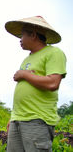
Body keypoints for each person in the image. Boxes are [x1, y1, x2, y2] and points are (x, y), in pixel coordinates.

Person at [4, 16, 67, 152]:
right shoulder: (27, 59)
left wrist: (24, 74)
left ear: (33, 35)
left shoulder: (54, 53)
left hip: (37, 120)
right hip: (18, 119)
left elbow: (53, 83)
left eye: (22, 35)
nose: (20, 40)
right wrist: (13, 117)